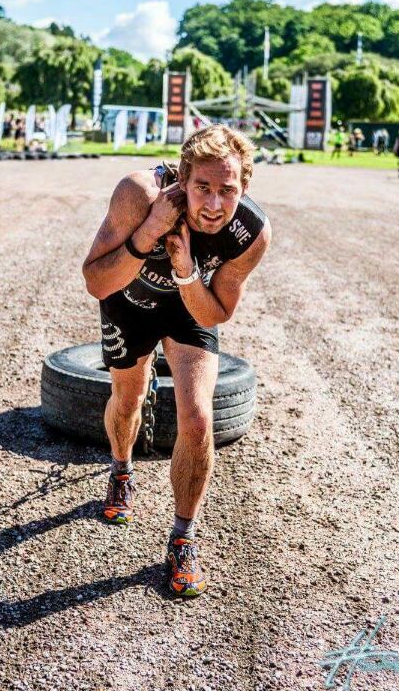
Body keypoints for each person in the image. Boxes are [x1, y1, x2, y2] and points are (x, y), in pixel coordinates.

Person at [82, 125, 271, 597]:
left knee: (199, 419)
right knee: (129, 399)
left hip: (192, 304)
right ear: (182, 179)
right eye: (202, 187)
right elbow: (96, 281)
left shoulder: (251, 233)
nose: (214, 205)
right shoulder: (138, 193)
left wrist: (186, 271)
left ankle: (182, 538)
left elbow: (216, 313)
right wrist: (150, 230)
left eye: (228, 190)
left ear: (244, 187)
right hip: (129, 299)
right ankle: (121, 470)